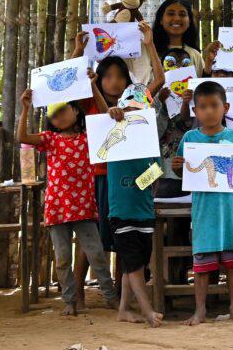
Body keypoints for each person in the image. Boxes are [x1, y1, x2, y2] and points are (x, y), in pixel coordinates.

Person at [70, 25, 165, 302]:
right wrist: (78, 51)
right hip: (101, 180)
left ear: (128, 81)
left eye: (120, 76)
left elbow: (159, 79)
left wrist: (150, 44)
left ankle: (125, 299)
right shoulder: (90, 103)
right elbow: (68, 85)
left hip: (134, 185)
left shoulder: (138, 103)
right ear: (99, 80)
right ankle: (76, 294)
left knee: (130, 240)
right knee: (93, 238)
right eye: (107, 76)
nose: (113, 81)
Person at [16, 85, 117, 316]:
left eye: (63, 110)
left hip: (83, 207)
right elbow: (21, 137)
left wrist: (92, 86)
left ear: (76, 110)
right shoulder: (49, 139)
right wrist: (25, 108)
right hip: (57, 208)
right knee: (62, 259)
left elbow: (106, 119)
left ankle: (111, 298)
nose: (58, 117)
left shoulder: (88, 138)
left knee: (97, 255)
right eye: (53, 114)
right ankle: (69, 301)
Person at [172, 81, 233, 325]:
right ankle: (199, 310)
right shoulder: (190, 138)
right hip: (204, 211)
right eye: (203, 106)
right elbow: (185, 172)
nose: (209, 111)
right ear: (195, 111)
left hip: (231, 210)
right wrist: (176, 166)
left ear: (226, 107)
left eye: (214, 105)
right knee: (202, 265)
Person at [106, 83, 165, 327]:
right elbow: (107, 115)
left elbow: (156, 174)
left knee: (136, 263)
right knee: (134, 264)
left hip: (144, 211)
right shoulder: (112, 133)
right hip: (121, 212)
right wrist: (113, 115)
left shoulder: (151, 143)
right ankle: (147, 310)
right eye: (127, 109)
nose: (132, 113)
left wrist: (146, 186)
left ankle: (123, 309)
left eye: (137, 110)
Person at [152, 0, 205, 75]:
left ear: (189, 22)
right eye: (171, 14)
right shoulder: (149, 50)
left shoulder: (195, 55)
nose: (177, 18)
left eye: (182, 14)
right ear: (161, 20)